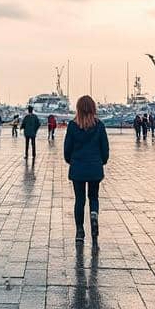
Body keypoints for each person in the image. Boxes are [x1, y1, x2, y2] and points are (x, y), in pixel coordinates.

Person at [64, 95, 109, 244]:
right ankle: (94, 215)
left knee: (80, 200)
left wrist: (71, 161)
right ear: (93, 108)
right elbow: (105, 149)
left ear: (78, 109)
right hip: (95, 168)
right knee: (94, 197)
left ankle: (79, 231)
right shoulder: (99, 125)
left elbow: (67, 149)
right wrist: (101, 161)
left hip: (78, 168)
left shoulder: (72, 126)